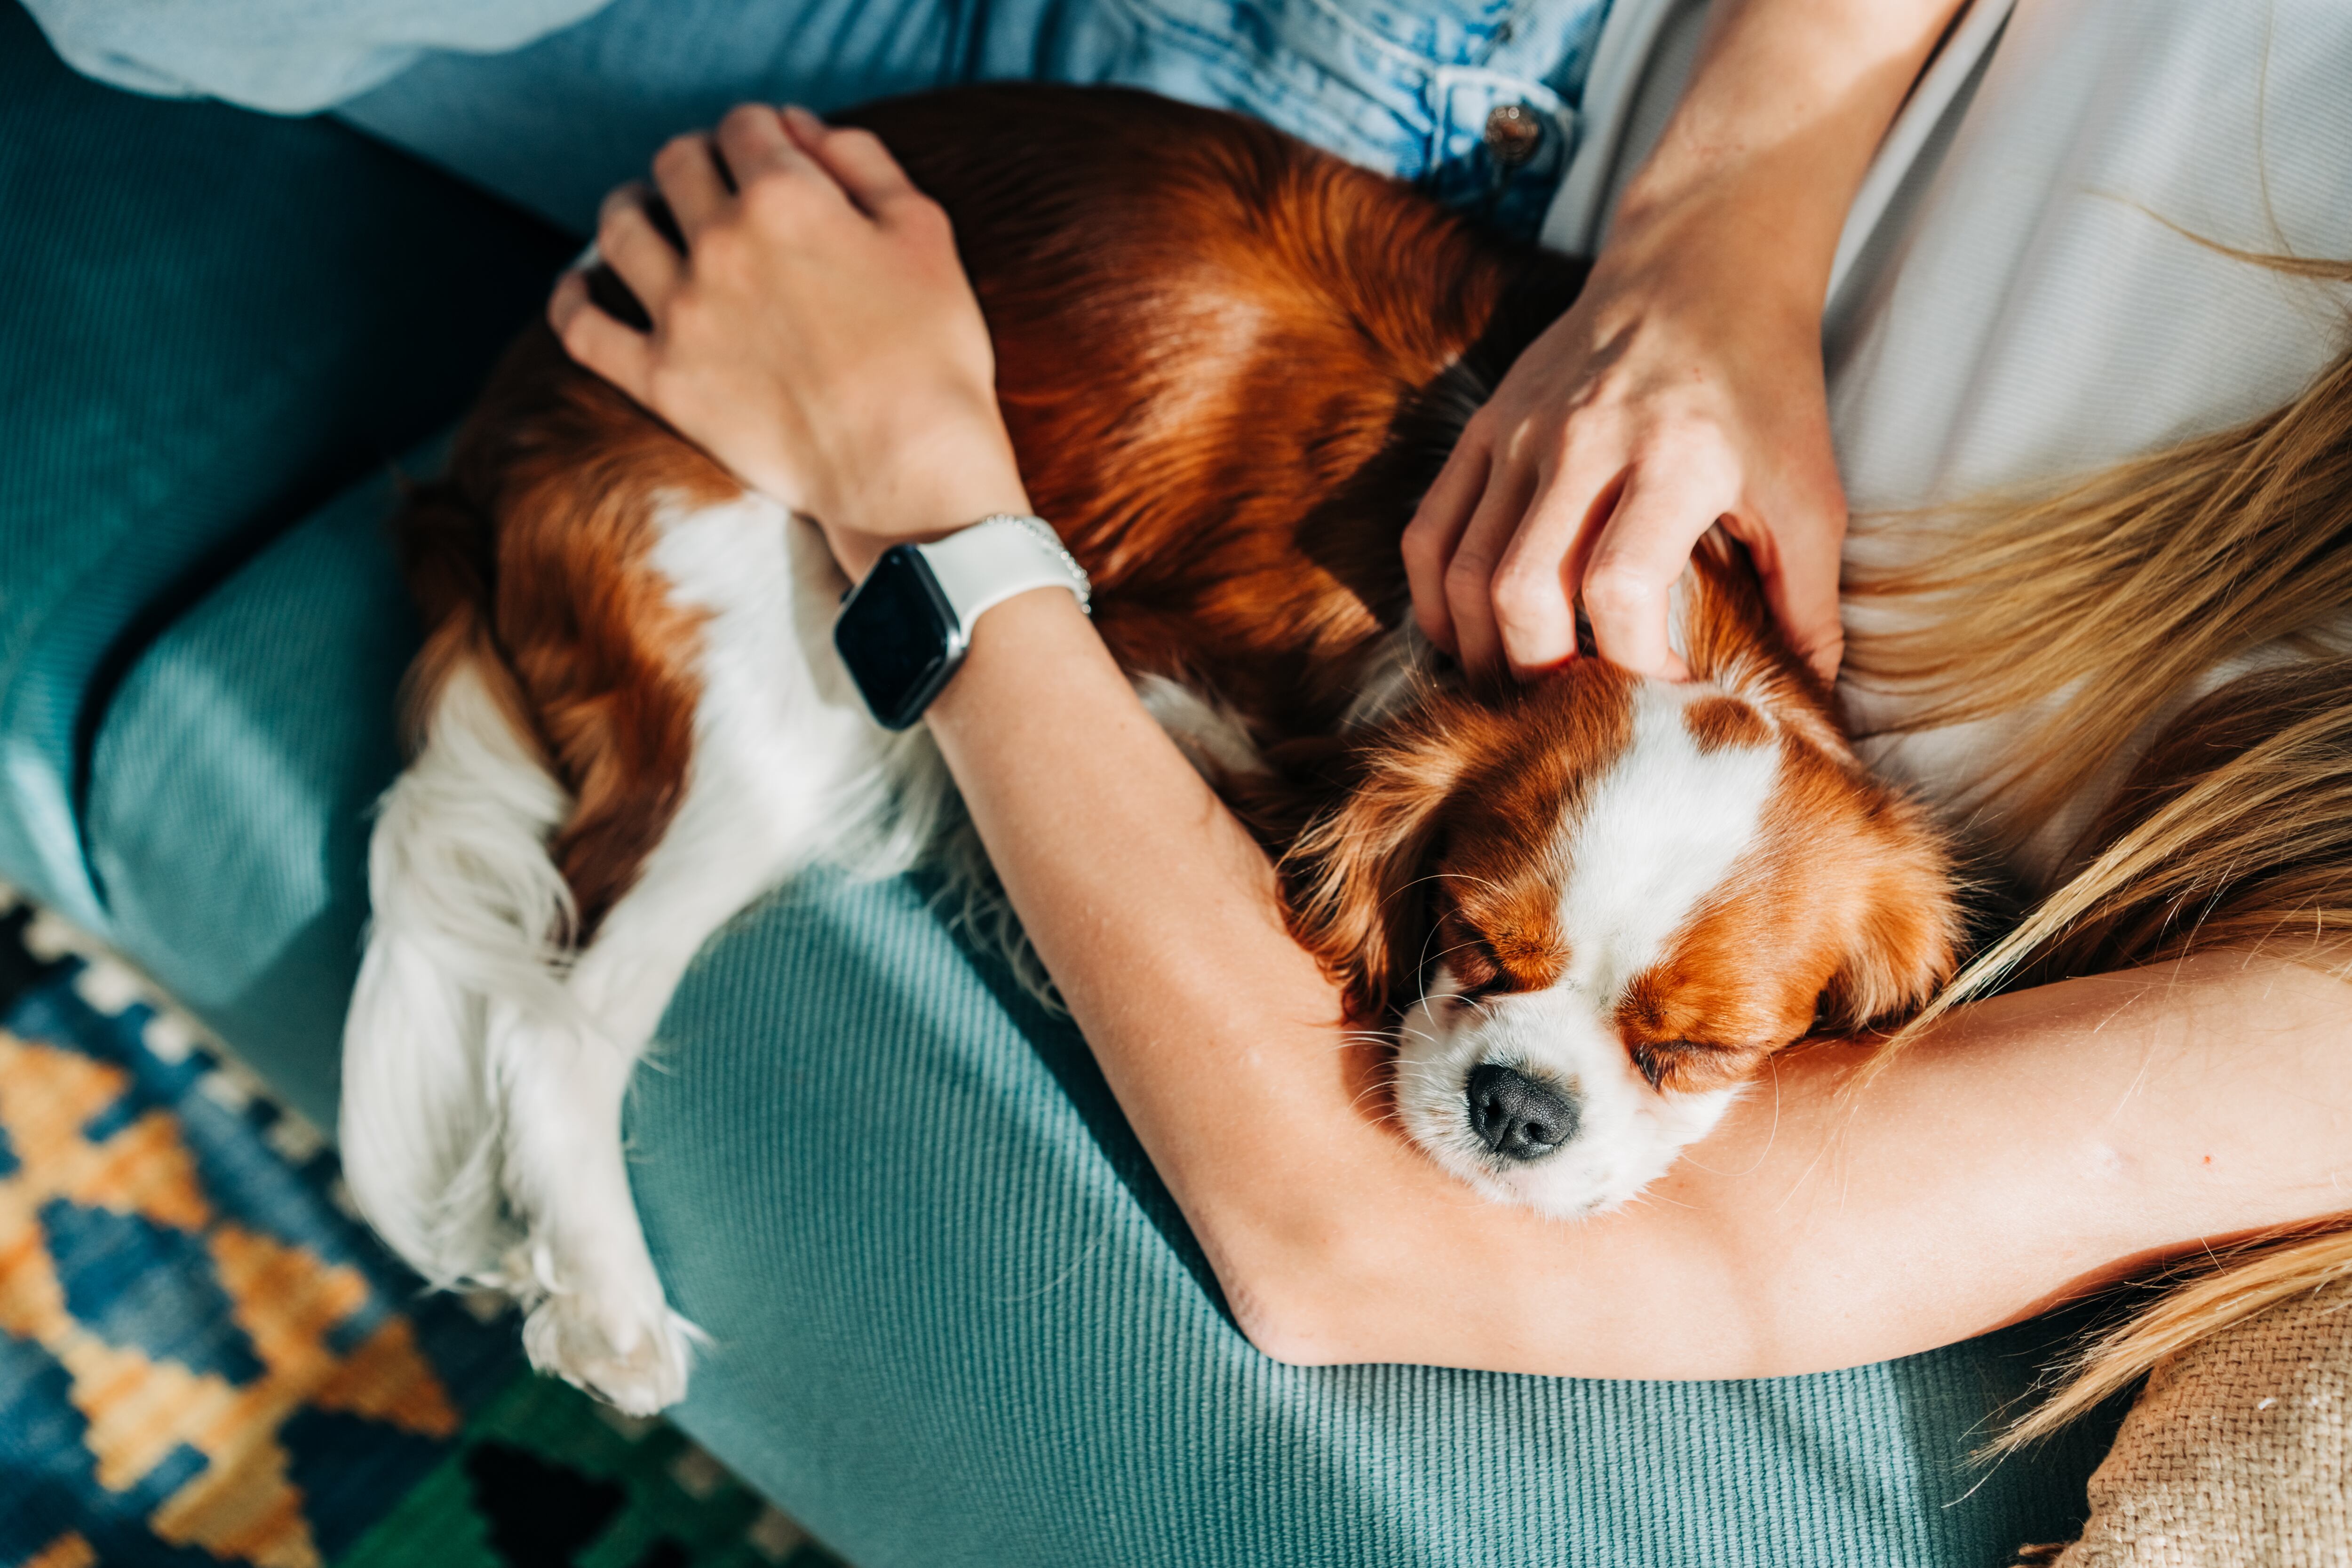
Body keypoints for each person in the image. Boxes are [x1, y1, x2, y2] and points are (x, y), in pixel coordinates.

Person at [543, 0, 2352, 1393]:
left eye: (1683, 1050)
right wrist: (1716, 245)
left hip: (1156, 261)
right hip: (1455, 170)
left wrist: (918, 495)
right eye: (1484, 956)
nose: (1537, 1053)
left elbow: (1359, 1258)